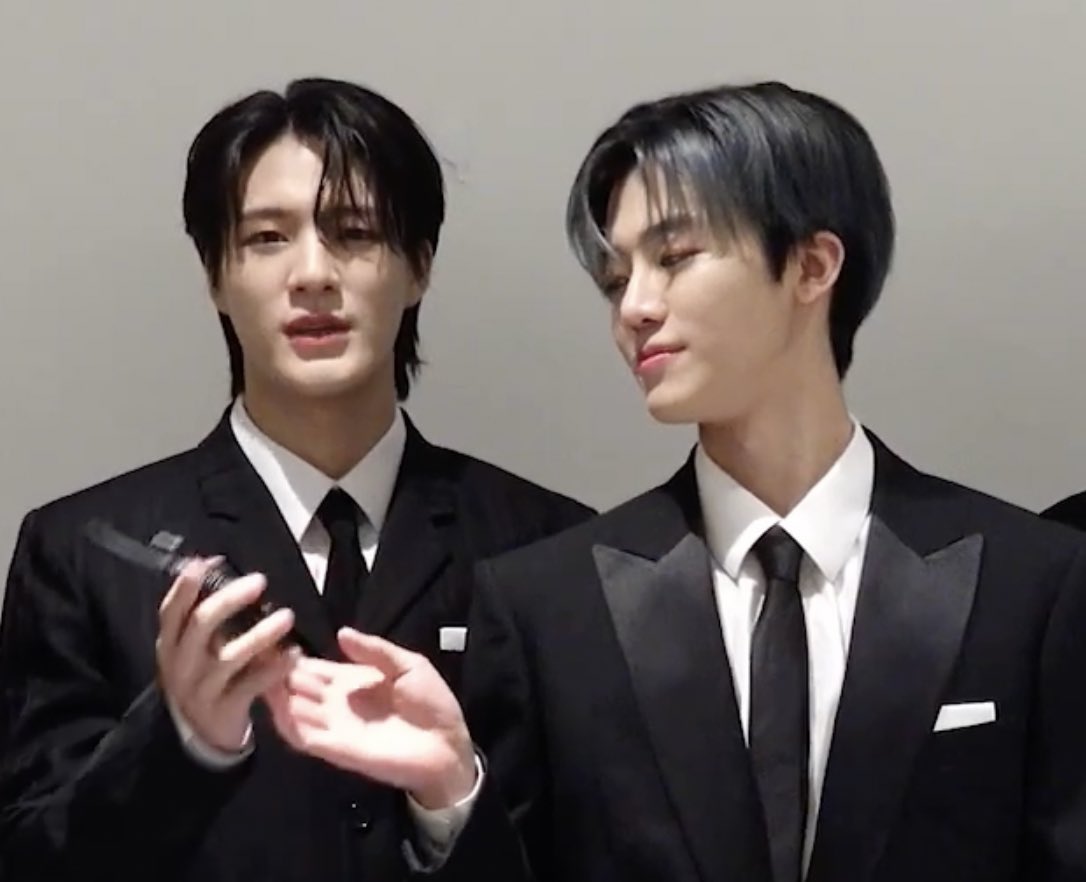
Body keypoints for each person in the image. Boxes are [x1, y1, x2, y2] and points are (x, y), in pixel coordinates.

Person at [265, 82, 1086, 882]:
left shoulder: (1031, 584)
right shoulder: (549, 606)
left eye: (675, 257)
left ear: (812, 265)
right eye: (616, 278)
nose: (635, 307)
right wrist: (450, 793)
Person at [0, 77, 591, 882]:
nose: (313, 273)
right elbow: (30, 861)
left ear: (419, 266)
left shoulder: (550, 549)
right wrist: (179, 744)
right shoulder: (87, 553)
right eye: (268, 237)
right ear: (216, 276)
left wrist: (453, 802)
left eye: (354, 231)